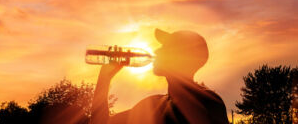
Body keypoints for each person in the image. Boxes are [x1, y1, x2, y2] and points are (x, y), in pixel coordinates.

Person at [90, 28, 229, 124]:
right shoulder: (152, 105)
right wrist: (105, 77)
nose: (157, 50)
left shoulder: (207, 102)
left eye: (166, 47)